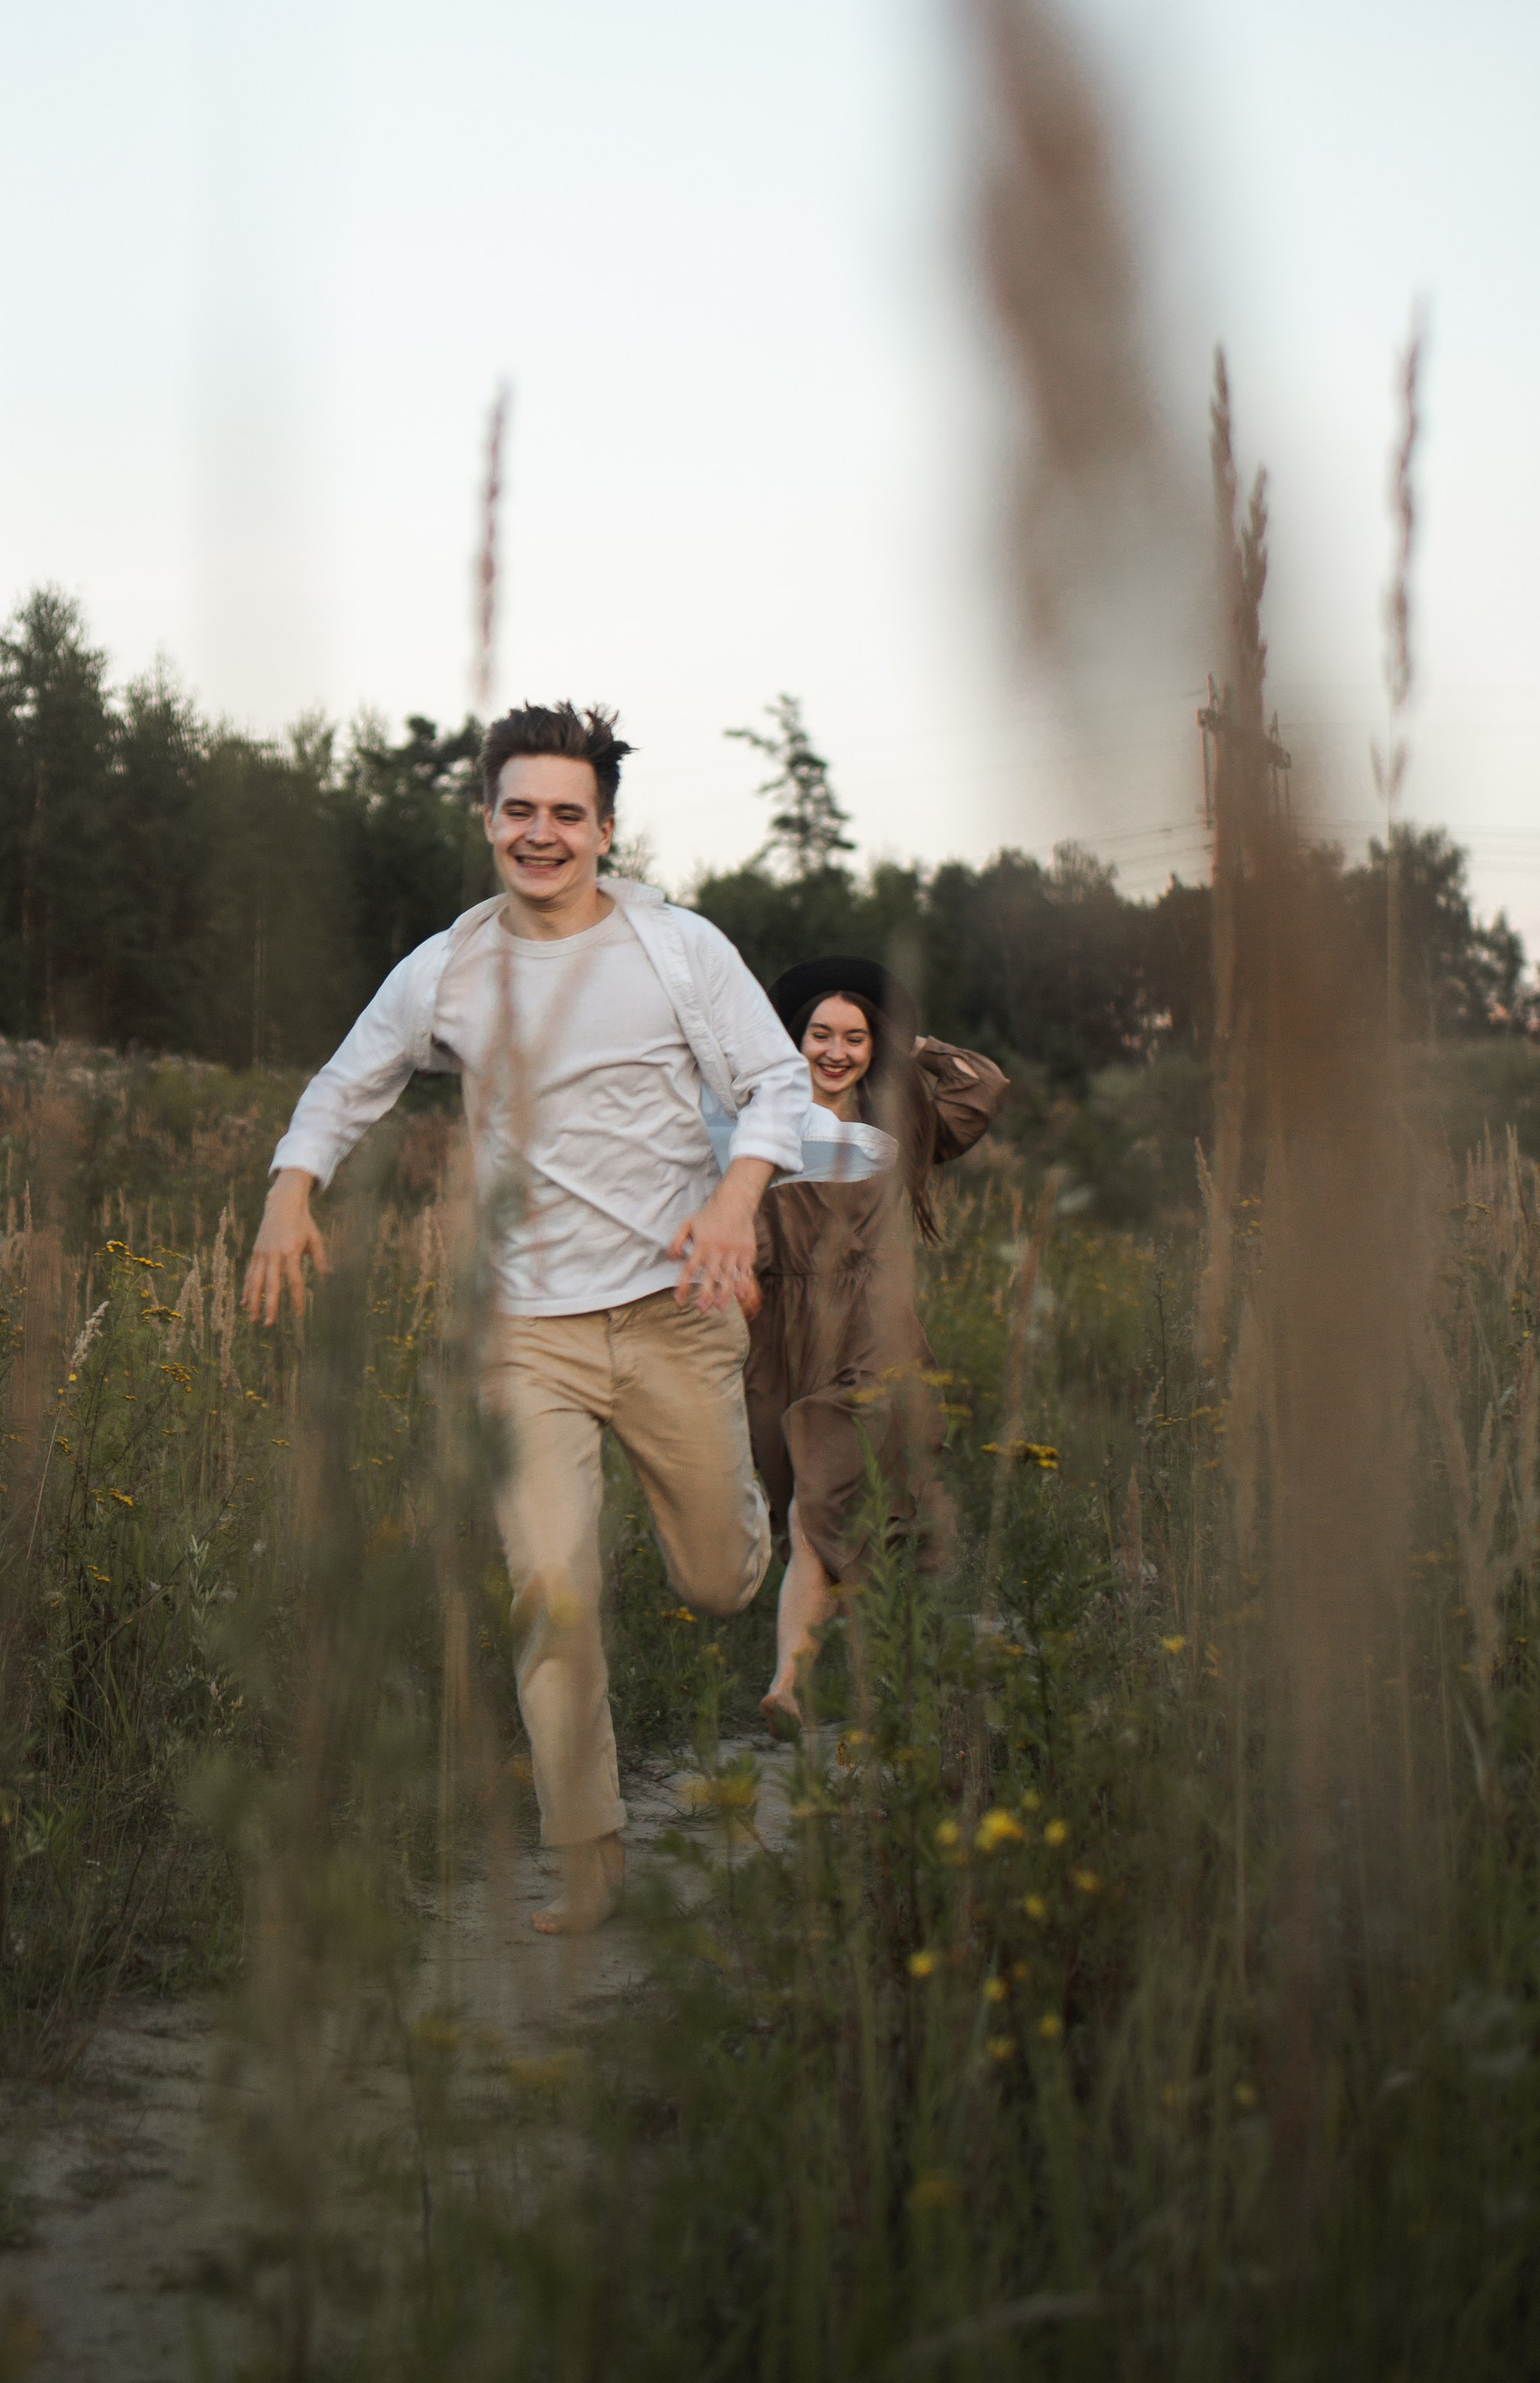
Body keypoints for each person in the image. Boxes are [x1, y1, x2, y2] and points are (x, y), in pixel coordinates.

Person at [243, 701, 814, 1934]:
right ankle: (589, 1854)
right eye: (520, 812)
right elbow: (345, 1085)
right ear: (488, 820)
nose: (541, 834)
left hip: (671, 1313)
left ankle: (748, 1532)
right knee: (548, 1589)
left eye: (567, 813)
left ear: (605, 829)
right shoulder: (446, 969)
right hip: (524, 1334)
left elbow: (776, 1082)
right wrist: (290, 1193)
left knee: (719, 1582)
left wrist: (735, 1198)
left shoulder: (679, 950)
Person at [720, 955, 1007, 1732]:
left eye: (855, 1037)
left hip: (874, 1334)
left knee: (822, 1495)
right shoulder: (756, 1131)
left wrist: (917, 1047)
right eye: (820, 1034)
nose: (836, 1051)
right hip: (777, 1337)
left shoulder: (897, 1128)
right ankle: (860, 1669)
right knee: (807, 1514)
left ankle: (787, 1685)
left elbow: (982, 1087)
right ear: (795, 1040)